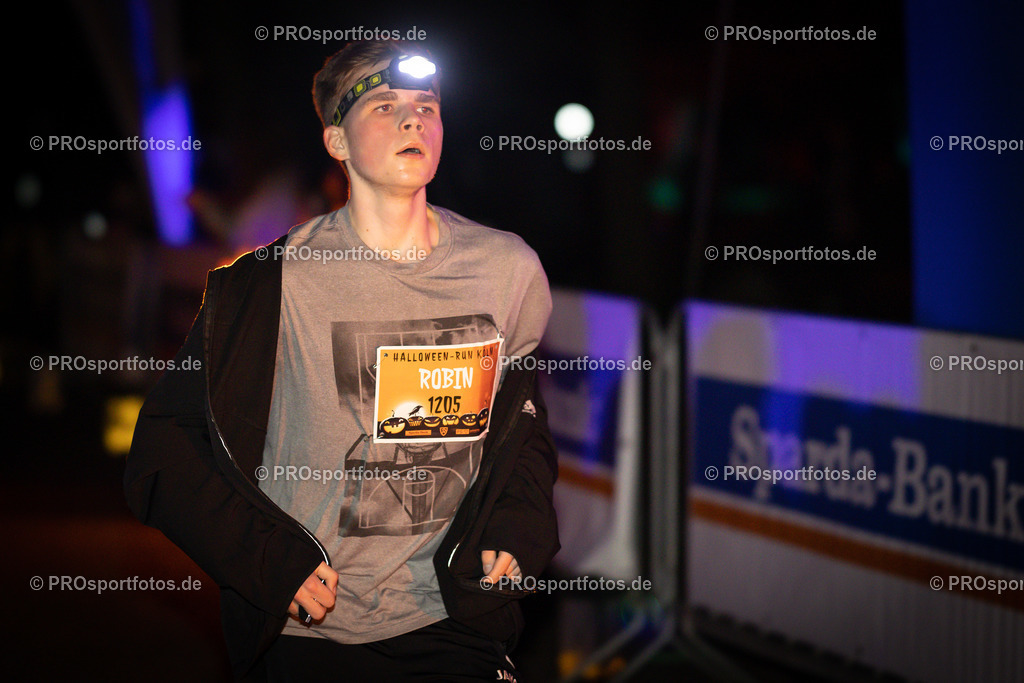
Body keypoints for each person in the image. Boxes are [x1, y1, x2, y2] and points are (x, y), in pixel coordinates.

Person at [124, 39, 559, 682]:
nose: (415, 121)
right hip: (315, 630)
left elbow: (521, 428)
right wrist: (271, 561)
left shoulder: (508, 270)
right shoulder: (271, 286)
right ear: (337, 142)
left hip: (450, 620)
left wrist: (517, 529)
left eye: (427, 107)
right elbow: (164, 450)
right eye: (386, 107)